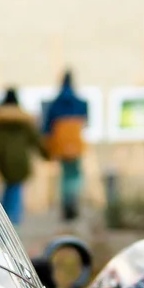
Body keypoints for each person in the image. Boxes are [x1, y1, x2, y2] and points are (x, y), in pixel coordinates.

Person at [0, 87, 40, 224]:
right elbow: (35, 139)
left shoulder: (0, 121)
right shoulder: (24, 120)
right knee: (15, 189)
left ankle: (4, 219)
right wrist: (46, 153)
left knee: (8, 188)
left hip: (5, 161)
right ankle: (13, 221)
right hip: (21, 160)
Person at [43, 69, 89, 222]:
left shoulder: (55, 103)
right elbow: (86, 121)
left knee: (64, 175)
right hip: (76, 143)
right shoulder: (80, 102)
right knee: (75, 174)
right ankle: (74, 203)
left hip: (61, 144)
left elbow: (47, 127)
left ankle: (66, 206)